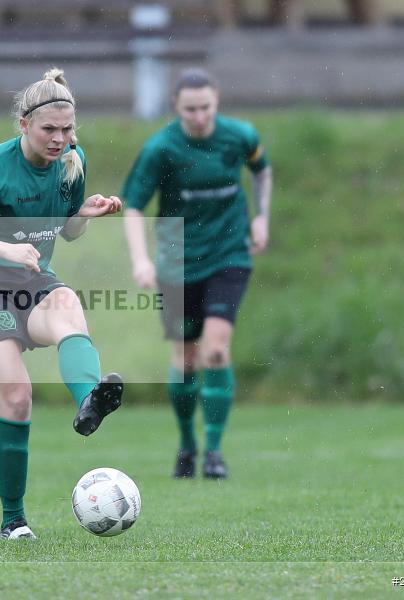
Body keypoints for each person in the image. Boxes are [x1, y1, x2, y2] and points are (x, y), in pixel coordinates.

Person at [0, 68, 124, 540]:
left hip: (32, 282)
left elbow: (67, 230)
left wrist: (84, 215)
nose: (60, 139)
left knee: (68, 306)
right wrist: (4, 248)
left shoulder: (72, 161)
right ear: (23, 125)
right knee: (16, 400)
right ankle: (12, 521)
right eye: (49, 130)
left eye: (67, 129)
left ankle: (89, 403)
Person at [121, 68, 273, 480]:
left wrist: (261, 218)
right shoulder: (161, 148)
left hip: (229, 254)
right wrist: (140, 260)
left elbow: (261, 170)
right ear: (176, 107)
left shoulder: (241, 136)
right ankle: (187, 443)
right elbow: (133, 205)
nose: (200, 116)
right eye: (190, 110)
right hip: (177, 261)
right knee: (186, 360)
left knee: (217, 350)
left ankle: (215, 451)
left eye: (206, 107)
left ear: (217, 101)